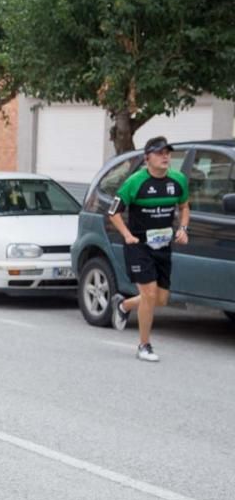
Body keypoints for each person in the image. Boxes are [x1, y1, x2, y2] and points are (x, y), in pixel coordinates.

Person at [109, 136, 190, 361]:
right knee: (149, 293)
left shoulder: (178, 179)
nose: (165, 156)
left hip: (163, 246)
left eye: (167, 152)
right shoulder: (135, 182)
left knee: (161, 300)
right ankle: (144, 345)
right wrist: (127, 236)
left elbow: (184, 206)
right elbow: (113, 212)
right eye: (159, 153)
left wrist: (183, 228)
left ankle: (124, 305)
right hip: (139, 245)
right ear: (147, 158)